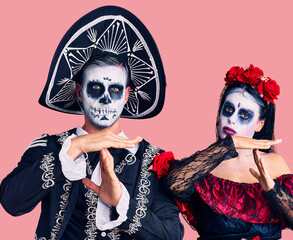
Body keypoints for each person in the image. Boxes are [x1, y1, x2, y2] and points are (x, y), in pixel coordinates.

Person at [0, 6, 183, 240]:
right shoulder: (50, 146)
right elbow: (11, 202)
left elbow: (173, 235)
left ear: (126, 96)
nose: (105, 98)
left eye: (115, 90)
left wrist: (120, 202)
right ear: (79, 92)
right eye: (95, 87)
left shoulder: (154, 160)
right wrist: (73, 148)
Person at [164, 65, 293, 240]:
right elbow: (174, 184)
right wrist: (230, 145)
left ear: (260, 124)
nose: (232, 119)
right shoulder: (202, 164)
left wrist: (272, 189)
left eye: (244, 115)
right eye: (228, 110)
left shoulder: (274, 163)